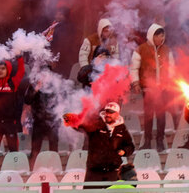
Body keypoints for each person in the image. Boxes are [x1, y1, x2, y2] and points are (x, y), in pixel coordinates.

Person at [130, 23, 176, 151]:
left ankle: (160, 141)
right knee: (148, 116)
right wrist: (136, 83)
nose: (162, 38)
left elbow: (171, 68)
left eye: (163, 36)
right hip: (148, 89)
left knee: (161, 115)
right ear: (152, 36)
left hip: (162, 89)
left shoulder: (167, 50)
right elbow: (134, 69)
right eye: (159, 36)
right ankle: (147, 141)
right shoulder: (141, 49)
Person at [64, 102, 134, 184]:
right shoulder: (96, 123)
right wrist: (72, 120)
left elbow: (130, 146)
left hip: (113, 171)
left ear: (117, 114)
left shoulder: (122, 128)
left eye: (111, 112)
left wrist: (124, 151)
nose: (108, 114)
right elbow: (82, 125)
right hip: (94, 171)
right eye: (107, 112)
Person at [0, 57, 26, 163]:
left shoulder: (13, 82)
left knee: (13, 151)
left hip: (10, 124)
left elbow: (21, 71)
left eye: (3, 68)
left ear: (8, 69)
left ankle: (15, 172)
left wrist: (20, 57)